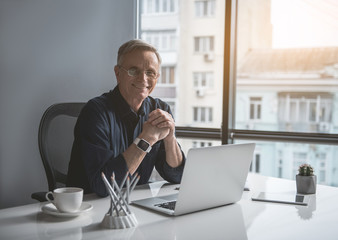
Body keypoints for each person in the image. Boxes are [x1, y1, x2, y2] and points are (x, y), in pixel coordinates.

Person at [66, 39, 185, 197]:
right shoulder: (95, 112)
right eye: (134, 70)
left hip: (136, 204)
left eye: (150, 72)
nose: (143, 79)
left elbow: (177, 176)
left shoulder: (160, 110)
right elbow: (103, 186)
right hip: (92, 205)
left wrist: (170, 138)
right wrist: (146, 139)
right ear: (118, 73)